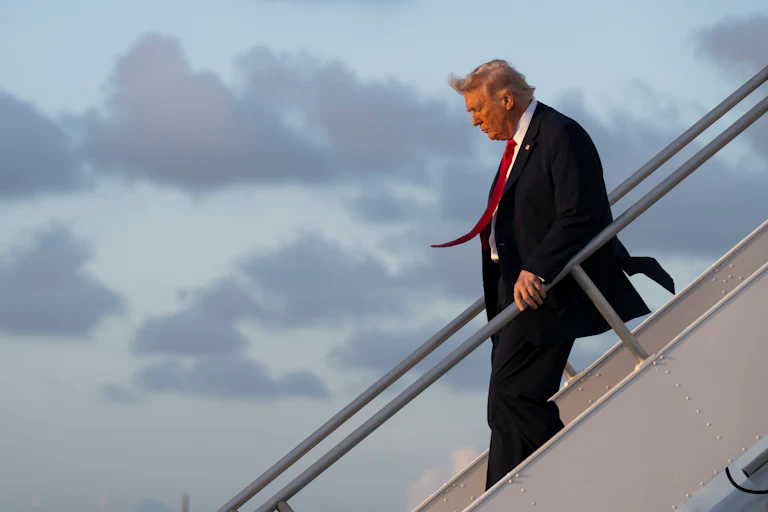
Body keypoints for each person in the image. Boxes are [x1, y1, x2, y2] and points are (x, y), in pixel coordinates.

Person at [431, 60, 675, 490]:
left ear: (506, 100)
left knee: (514, 395)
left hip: (547, 293)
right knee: (501, 410)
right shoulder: (522, 143)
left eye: (476, 110)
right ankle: (502, 498)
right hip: (513, 293)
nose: (474, 121)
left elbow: (579, 214)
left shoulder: (560, 134)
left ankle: (578, 481)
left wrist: (535, 270)